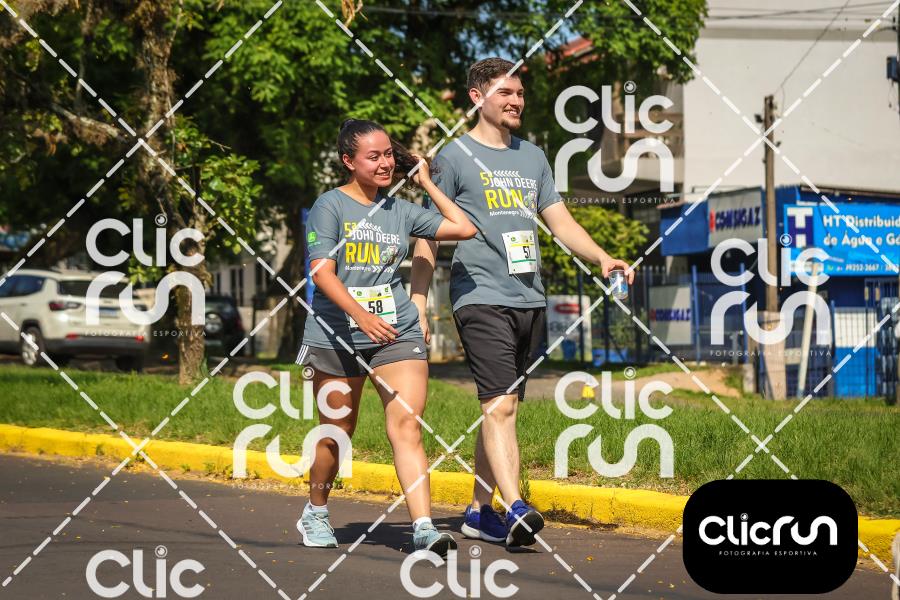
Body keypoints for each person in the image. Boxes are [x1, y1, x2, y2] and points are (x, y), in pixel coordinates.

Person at [409, 58, 636, 547]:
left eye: (520, 93)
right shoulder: (453, 157)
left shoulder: (532, 157)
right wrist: (418, 300)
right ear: (477, 97)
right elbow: (428, 234)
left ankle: (478, 511)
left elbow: (560, 220)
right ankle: (515, 505)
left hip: (528, 297)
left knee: (500, 406)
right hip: (479, 294)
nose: (516, 101)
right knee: (501, 405)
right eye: (505, 93)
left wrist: (602, 256)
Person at [295, 119, 477, 556]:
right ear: (348, 161)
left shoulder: (401, 210)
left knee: (407, 424)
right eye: (373, 156)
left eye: (388, 155)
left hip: (396, 331)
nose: (384, 163)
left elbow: (463, 227)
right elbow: (322, 273)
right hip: (336, 334)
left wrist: (426, 182)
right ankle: (316, 511)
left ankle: (424, 528)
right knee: (337, 432)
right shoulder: (329, 205)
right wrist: (359, 315)